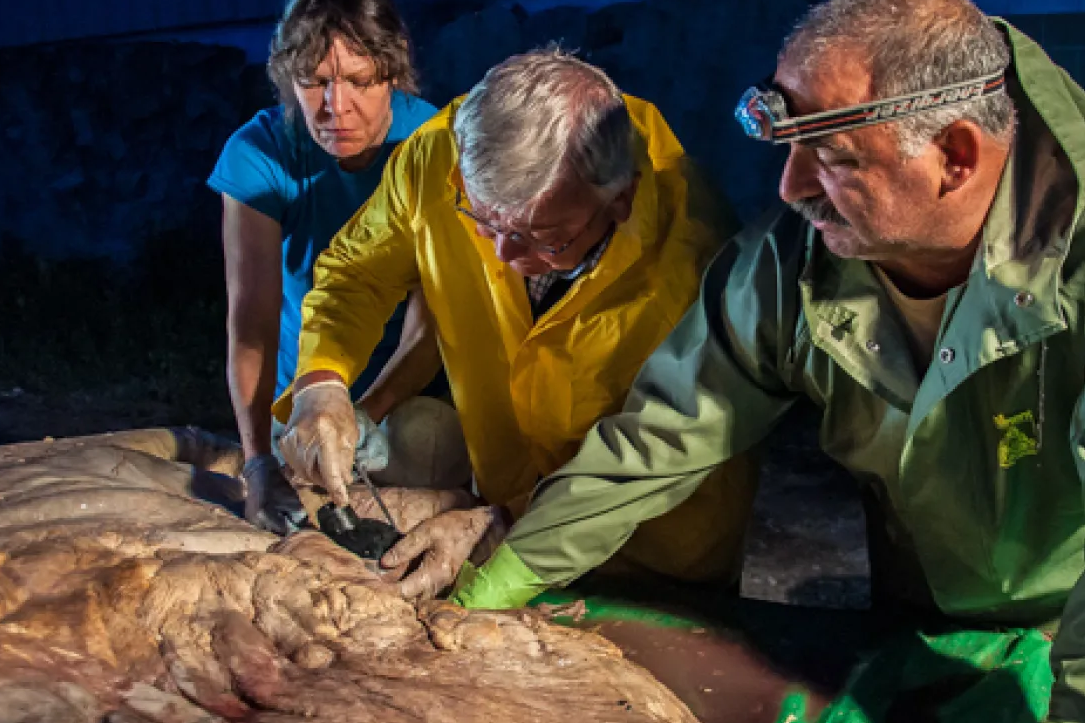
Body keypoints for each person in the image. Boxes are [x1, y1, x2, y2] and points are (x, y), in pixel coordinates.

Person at [454, 0, 1085, 723]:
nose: (792, 185)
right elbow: (665, 431)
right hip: (922, 603)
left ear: (955, 156)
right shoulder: (792, 261)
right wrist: (510, 570)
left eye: (831, 156)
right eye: (790, 145)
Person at [274, 48, 760, 601]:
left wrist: (509, 521)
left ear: (617, 201)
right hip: (499, 497)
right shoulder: (438, 155)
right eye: (480, 219)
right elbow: (357, 273)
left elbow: (660, 452)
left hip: (652, 546)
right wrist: (321, 381)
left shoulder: (695, 260)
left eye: (542, 237)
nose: (503, 255)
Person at [208, 0, 445, 532]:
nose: (334, 107)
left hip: (406, 385)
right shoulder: (257, 153)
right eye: (313, 82)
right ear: (287, 78)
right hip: (301, 394)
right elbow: (252, 326)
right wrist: (260, 459)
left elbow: (433, 318)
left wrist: (366, 415)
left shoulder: (432, 145)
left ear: (393, 71)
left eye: (359, 81)